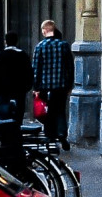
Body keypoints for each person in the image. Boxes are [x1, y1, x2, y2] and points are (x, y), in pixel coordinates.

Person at [32, 20, 75, 149]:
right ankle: (62, 134)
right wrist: (69, 84)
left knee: (48, 111)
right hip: (61, 85)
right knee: (60, 110)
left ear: (44, 30)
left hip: (45, 86)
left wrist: (36, 87)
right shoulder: (63, 45)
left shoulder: (40, 46)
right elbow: (69, 66)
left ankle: (50, 136)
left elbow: (35, 69)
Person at [0, 31, 32, 120]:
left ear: (6, 42)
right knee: (19, 111)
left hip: (3, 90)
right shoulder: (23, 56)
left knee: (4, 114)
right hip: (20, 89)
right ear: (16, 41)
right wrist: (27, 86)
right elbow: (29, 72)